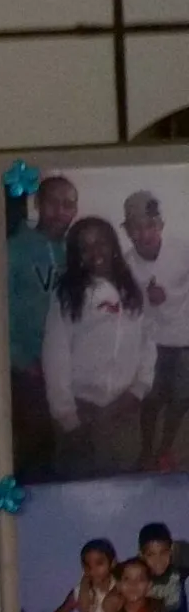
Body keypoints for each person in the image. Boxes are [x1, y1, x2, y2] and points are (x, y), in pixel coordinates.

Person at [47, 214, 156, 478]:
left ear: (113, 246)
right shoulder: (68, 295)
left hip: (124, 407)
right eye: (85, 247)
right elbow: (55, 356)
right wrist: (67, 416)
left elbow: (147, 342)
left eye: (101, 243)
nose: (95, 251)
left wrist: (139, 389)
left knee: (122, 482)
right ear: (77, 255)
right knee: (80, 486)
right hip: (82, 409)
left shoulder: (134, 291)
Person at [14, 172, 80, 479]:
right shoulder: (14, 249)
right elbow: (1, 310)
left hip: (68, 363)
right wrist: (21, 361)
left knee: (70, 439)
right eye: (53, 203)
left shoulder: (76, 252)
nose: (60, 211)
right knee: (36, 444)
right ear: (37, 203)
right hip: (30, 365)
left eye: (68, 205)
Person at [131, 193, 189, 470]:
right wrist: (146, 298)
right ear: (128, 231)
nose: (145, 234)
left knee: (182, 397)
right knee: (151, 399)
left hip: (185, 339)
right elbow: (125, 308)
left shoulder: (182, 249)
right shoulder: (126, 264)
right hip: (150, 342)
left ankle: (165, 449)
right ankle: (145, 449)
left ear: (161, 225)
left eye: (151, 225)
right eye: (137, 227)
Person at [24, 535, 123, 612]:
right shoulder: (79, 593)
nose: (93, 570)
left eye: (99, 563)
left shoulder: (123, 587)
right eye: (87, 566)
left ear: (112, 563)